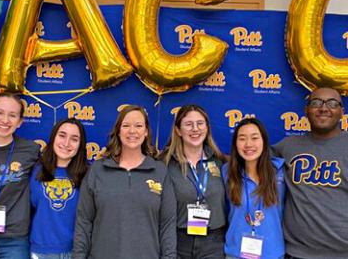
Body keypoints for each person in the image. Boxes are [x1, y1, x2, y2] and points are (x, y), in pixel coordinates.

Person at [73, 105, 176, 259]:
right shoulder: (98, 169)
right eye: (126, 125)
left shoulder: (160, 171)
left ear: (146, 131)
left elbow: (167, 225)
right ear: (118, 131)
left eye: (139, 126)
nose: (132, 131)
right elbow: (84, 222)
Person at [273, 87, 348, 259]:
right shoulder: (289, 146)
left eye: (332, 103)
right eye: (316, 103)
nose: (323, 108)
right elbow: (252, 157)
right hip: (297, 253)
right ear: (306, 111)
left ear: (342, 112)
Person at [160, 104, 227, 259]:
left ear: (207, 128)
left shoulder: (221, 162)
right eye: (188, 124)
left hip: (214, 244)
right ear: (178, 130)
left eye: (200, 123)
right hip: (178, 242)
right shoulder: (165, 164)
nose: (195, 129)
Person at [223, 118, 285, 259]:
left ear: (264, 141)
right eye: (242, 138)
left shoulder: (281, 171)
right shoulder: (227, 172)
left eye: (254, 138)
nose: (248, 144)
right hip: (235, 253)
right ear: (235, 144)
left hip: (272, 253)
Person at [0, 92, 40, 258]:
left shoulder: (31, 150)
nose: (5, 120)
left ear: (20, 122)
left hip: (14, 240)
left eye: (12, 115)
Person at [30, 118, 88, 259]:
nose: (66, 143)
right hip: (40, 251)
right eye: (62, 135)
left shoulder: (88, 175)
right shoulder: (35, 171)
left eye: (74, 139)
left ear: (80, 145)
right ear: (53, 137)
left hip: (75, 252)